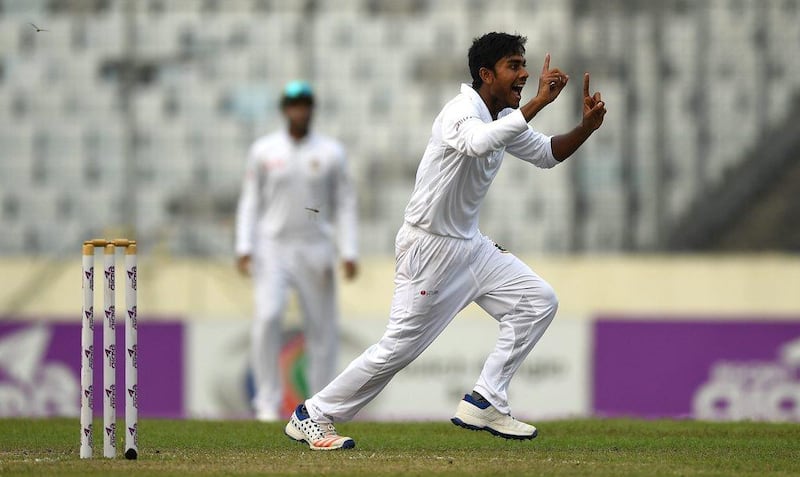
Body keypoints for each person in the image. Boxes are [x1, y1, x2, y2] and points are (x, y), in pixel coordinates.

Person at [284, 32, 606, 450]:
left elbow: (546, 153)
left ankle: (486, 398)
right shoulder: (461, 111)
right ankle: (312, 414)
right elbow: (477, 143)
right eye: (514, 65)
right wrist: (539, 103)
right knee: (397, 350)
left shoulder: (501, 116)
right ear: (486, 75)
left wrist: (585, 128)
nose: (524, 74)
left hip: (468, 246)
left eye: (524, 64)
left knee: (537, 301)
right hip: (428, 248)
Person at [235, 80, 359, 422]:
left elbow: (345, 203)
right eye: (293, 105)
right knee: (268, 317)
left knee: (321, 329)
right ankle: (266, 403)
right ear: (285, 110)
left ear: (311, 109)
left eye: (304, 105)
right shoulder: (264, 150)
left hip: (315, 246)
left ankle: (319, 406)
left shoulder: (331, 152)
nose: (299, 111)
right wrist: (244, 245)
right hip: (272, 246)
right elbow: (250, 201)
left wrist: (348, 250)